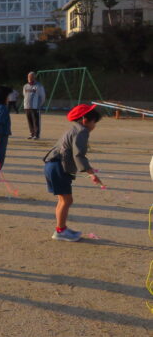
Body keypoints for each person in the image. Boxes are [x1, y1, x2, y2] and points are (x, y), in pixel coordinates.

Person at [42, 104, 103, 242]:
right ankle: (60, 231)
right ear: (85, 120)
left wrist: (89, 169)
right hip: (58, 167)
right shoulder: (82, 131)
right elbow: (78, 155)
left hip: (52, 165)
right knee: (67, 200)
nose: (94, 125)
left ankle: (61, 228)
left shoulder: (74, 129)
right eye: (94, 122)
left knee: (63, 200)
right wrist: (91, 173)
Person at [23, 72, 46, 139]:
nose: (29, 78)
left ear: (34, 77)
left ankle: (36, 135)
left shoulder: (39, 86)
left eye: (31, 77)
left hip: (35, 107)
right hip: (27, 107)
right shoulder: (25, 86)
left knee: (36, 121)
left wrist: (39, 104)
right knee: (29, 121)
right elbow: (25, 95)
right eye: (28, 77)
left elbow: (42, 97)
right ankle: (32, 134)